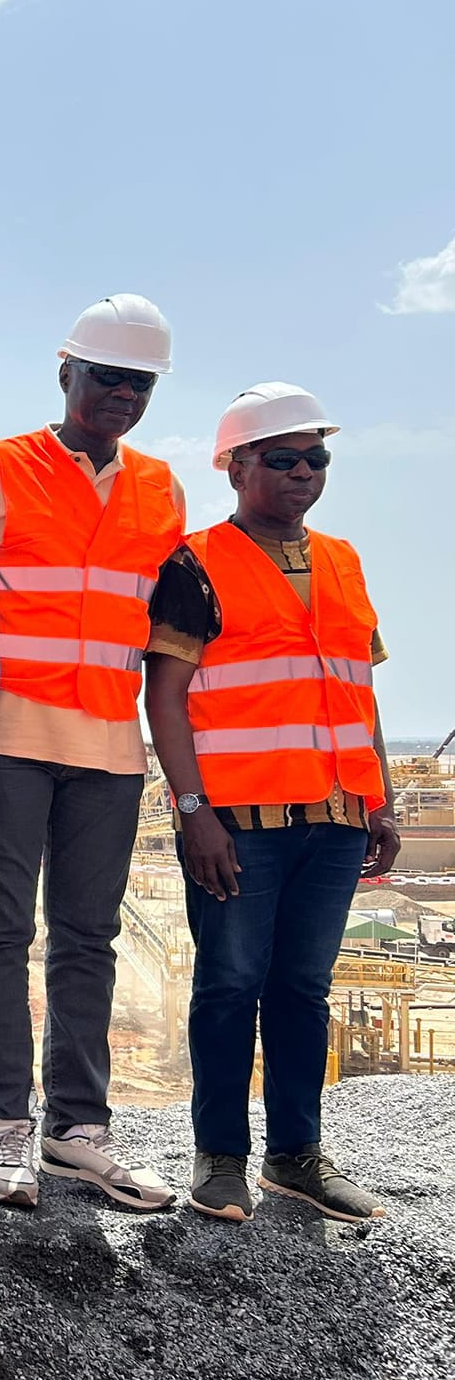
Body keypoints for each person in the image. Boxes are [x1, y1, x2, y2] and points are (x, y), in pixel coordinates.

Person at [143, 383, 400, 1225]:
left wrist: (381, 800)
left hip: (334, 821)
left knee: (303, 990)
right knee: (227, 987)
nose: (302, 473)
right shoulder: (196, 563)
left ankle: (296, 1157)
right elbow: (165, 697)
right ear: (236, 467)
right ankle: (220, 1158)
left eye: (315, 459)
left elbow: (359, 693)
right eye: (282, 459)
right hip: (239, 826)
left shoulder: (345, 561)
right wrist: (193, 812)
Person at [0, 297, 185, 1212]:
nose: (123, 395)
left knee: (89, 938)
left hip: (111, 748)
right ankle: (7, 1124)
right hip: (10, 740)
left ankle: (76, 1130)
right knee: (0, 934)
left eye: (140, 383)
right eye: (107, 377)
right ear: (66, 373)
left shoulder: (161, 487)